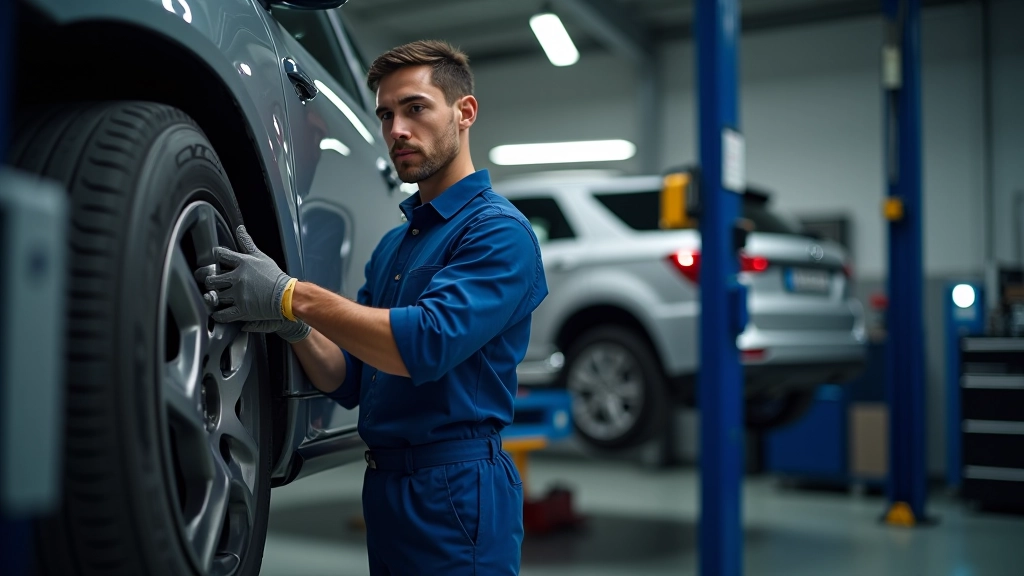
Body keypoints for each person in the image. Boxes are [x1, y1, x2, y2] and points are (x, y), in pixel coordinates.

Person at [198, 40, 547, 575]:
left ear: (465, 112)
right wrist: (294, 326)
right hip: (385, 487)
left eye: (415, 108)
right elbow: (350, 378)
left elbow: (424, 344)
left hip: (456, 490)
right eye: (386, 115)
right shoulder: (394, 246)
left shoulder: (498, 233)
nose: (397, 130)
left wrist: (293, 295)